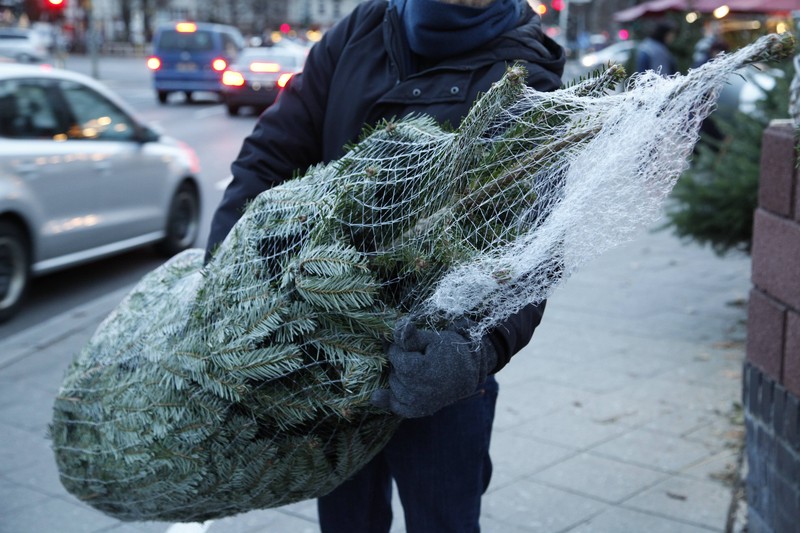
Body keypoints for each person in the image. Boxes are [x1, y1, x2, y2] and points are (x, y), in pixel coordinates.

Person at [205, 0, 565, 531]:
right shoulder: (363, 30)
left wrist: (476, 350)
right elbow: (271, 156)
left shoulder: (524, 73)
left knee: (443, 519)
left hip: (435, 372)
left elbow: (534, 251)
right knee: (347, 520)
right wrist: (224, 278)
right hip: (326, 359)